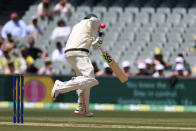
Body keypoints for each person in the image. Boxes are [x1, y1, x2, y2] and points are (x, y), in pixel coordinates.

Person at [51, 14, 105, 117]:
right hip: (80, 53)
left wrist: (98, 40)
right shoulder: (92, 21)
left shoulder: (77, 26)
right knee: (91, 79)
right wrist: (99, 36)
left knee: (84, 82)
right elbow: (95, 43)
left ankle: (82, 108)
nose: (99, 27)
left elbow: (94, 44)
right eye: (99, 25)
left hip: (69, 53)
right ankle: (60, 86)